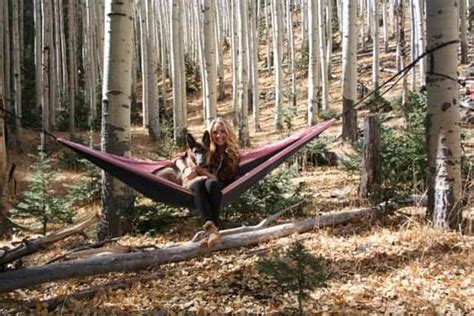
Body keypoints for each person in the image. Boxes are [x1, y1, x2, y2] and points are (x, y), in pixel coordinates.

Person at [175, 117, 240, 249]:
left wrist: (199, 170)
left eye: (223, 131)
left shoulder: (232, 154)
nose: (219, 135)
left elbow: (219, 178)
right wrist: (186, 169)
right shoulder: (205, 148)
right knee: (199, 184)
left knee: (210, 184)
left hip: (219, 186)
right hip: (198, 185)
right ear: (210, 135)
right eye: (215, 132)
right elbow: (177, 158)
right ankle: (211, 230)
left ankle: (211, 230)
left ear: (228, 133)